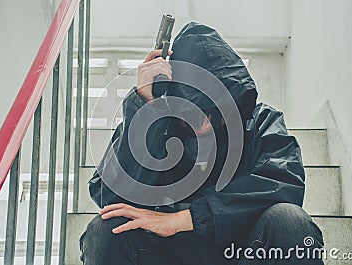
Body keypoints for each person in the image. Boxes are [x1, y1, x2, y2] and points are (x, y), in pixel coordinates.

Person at [80, 22, 324, 264]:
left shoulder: (260, 122)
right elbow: (111, 198)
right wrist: (145, 108)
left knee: (290, 220)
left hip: (242, 251)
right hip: (170, 254)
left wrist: (186, 218)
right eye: (191, 107)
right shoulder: (157, 123)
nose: (203, 121)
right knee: (106, 228)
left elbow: (284, 182)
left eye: (213, 108)